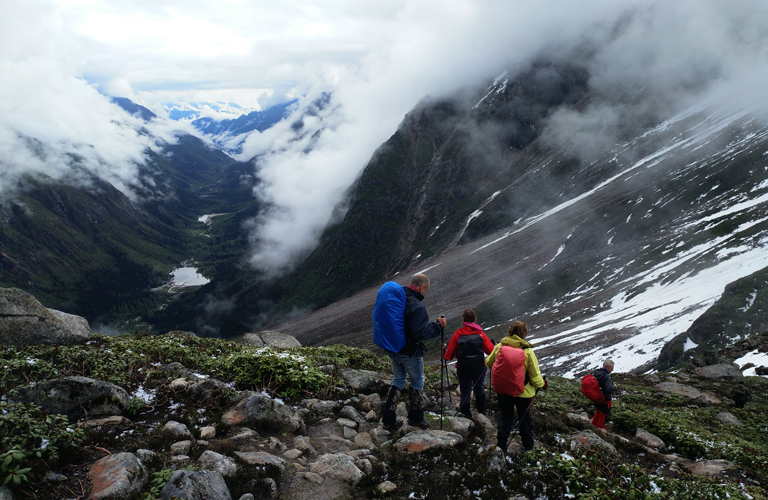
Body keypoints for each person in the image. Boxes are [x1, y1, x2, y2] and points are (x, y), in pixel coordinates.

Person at [381, 274, 447, 431]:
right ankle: (416, 418)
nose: (425, 293)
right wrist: (438, 325)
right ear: (422, 287)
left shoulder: (398, 297)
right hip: (410, 352)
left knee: (398, 380)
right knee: (417, 383)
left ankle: (388, 419)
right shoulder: (417, 306)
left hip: (393, 348)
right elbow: (420, 332)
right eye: (426, 290)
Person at [485, 320, 546, 452]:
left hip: (503, 390)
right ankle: (528, 446)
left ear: (510, 332)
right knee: (524, 418)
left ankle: (501, 445)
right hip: (523, 392)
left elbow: (489, 363)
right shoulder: (527, 351)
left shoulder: (500, 346)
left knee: (506, 417)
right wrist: (542, 384)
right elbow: (535, 376)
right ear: (524, 334)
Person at [443, 308, 494, 418]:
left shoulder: (458, 334)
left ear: (463, 319)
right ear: (475, 319)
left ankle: (466, 413)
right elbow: (490, 351)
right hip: (478, 367)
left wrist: (444, 354)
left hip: (464, 367)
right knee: (479, 387)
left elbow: (449, 355)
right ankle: (481, 411)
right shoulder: (480, 334)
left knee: (465, 389)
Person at [591, 359, 616, 429]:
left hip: (597, 397)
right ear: (607, 367)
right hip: (605, 399)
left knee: (597, 413)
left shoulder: (596, 372)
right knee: (603, 416)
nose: (612, 370)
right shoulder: (606, 376)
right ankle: (600, 431)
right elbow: (609, 389)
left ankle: (592, 427)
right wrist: (614, 387)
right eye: (612, 368)